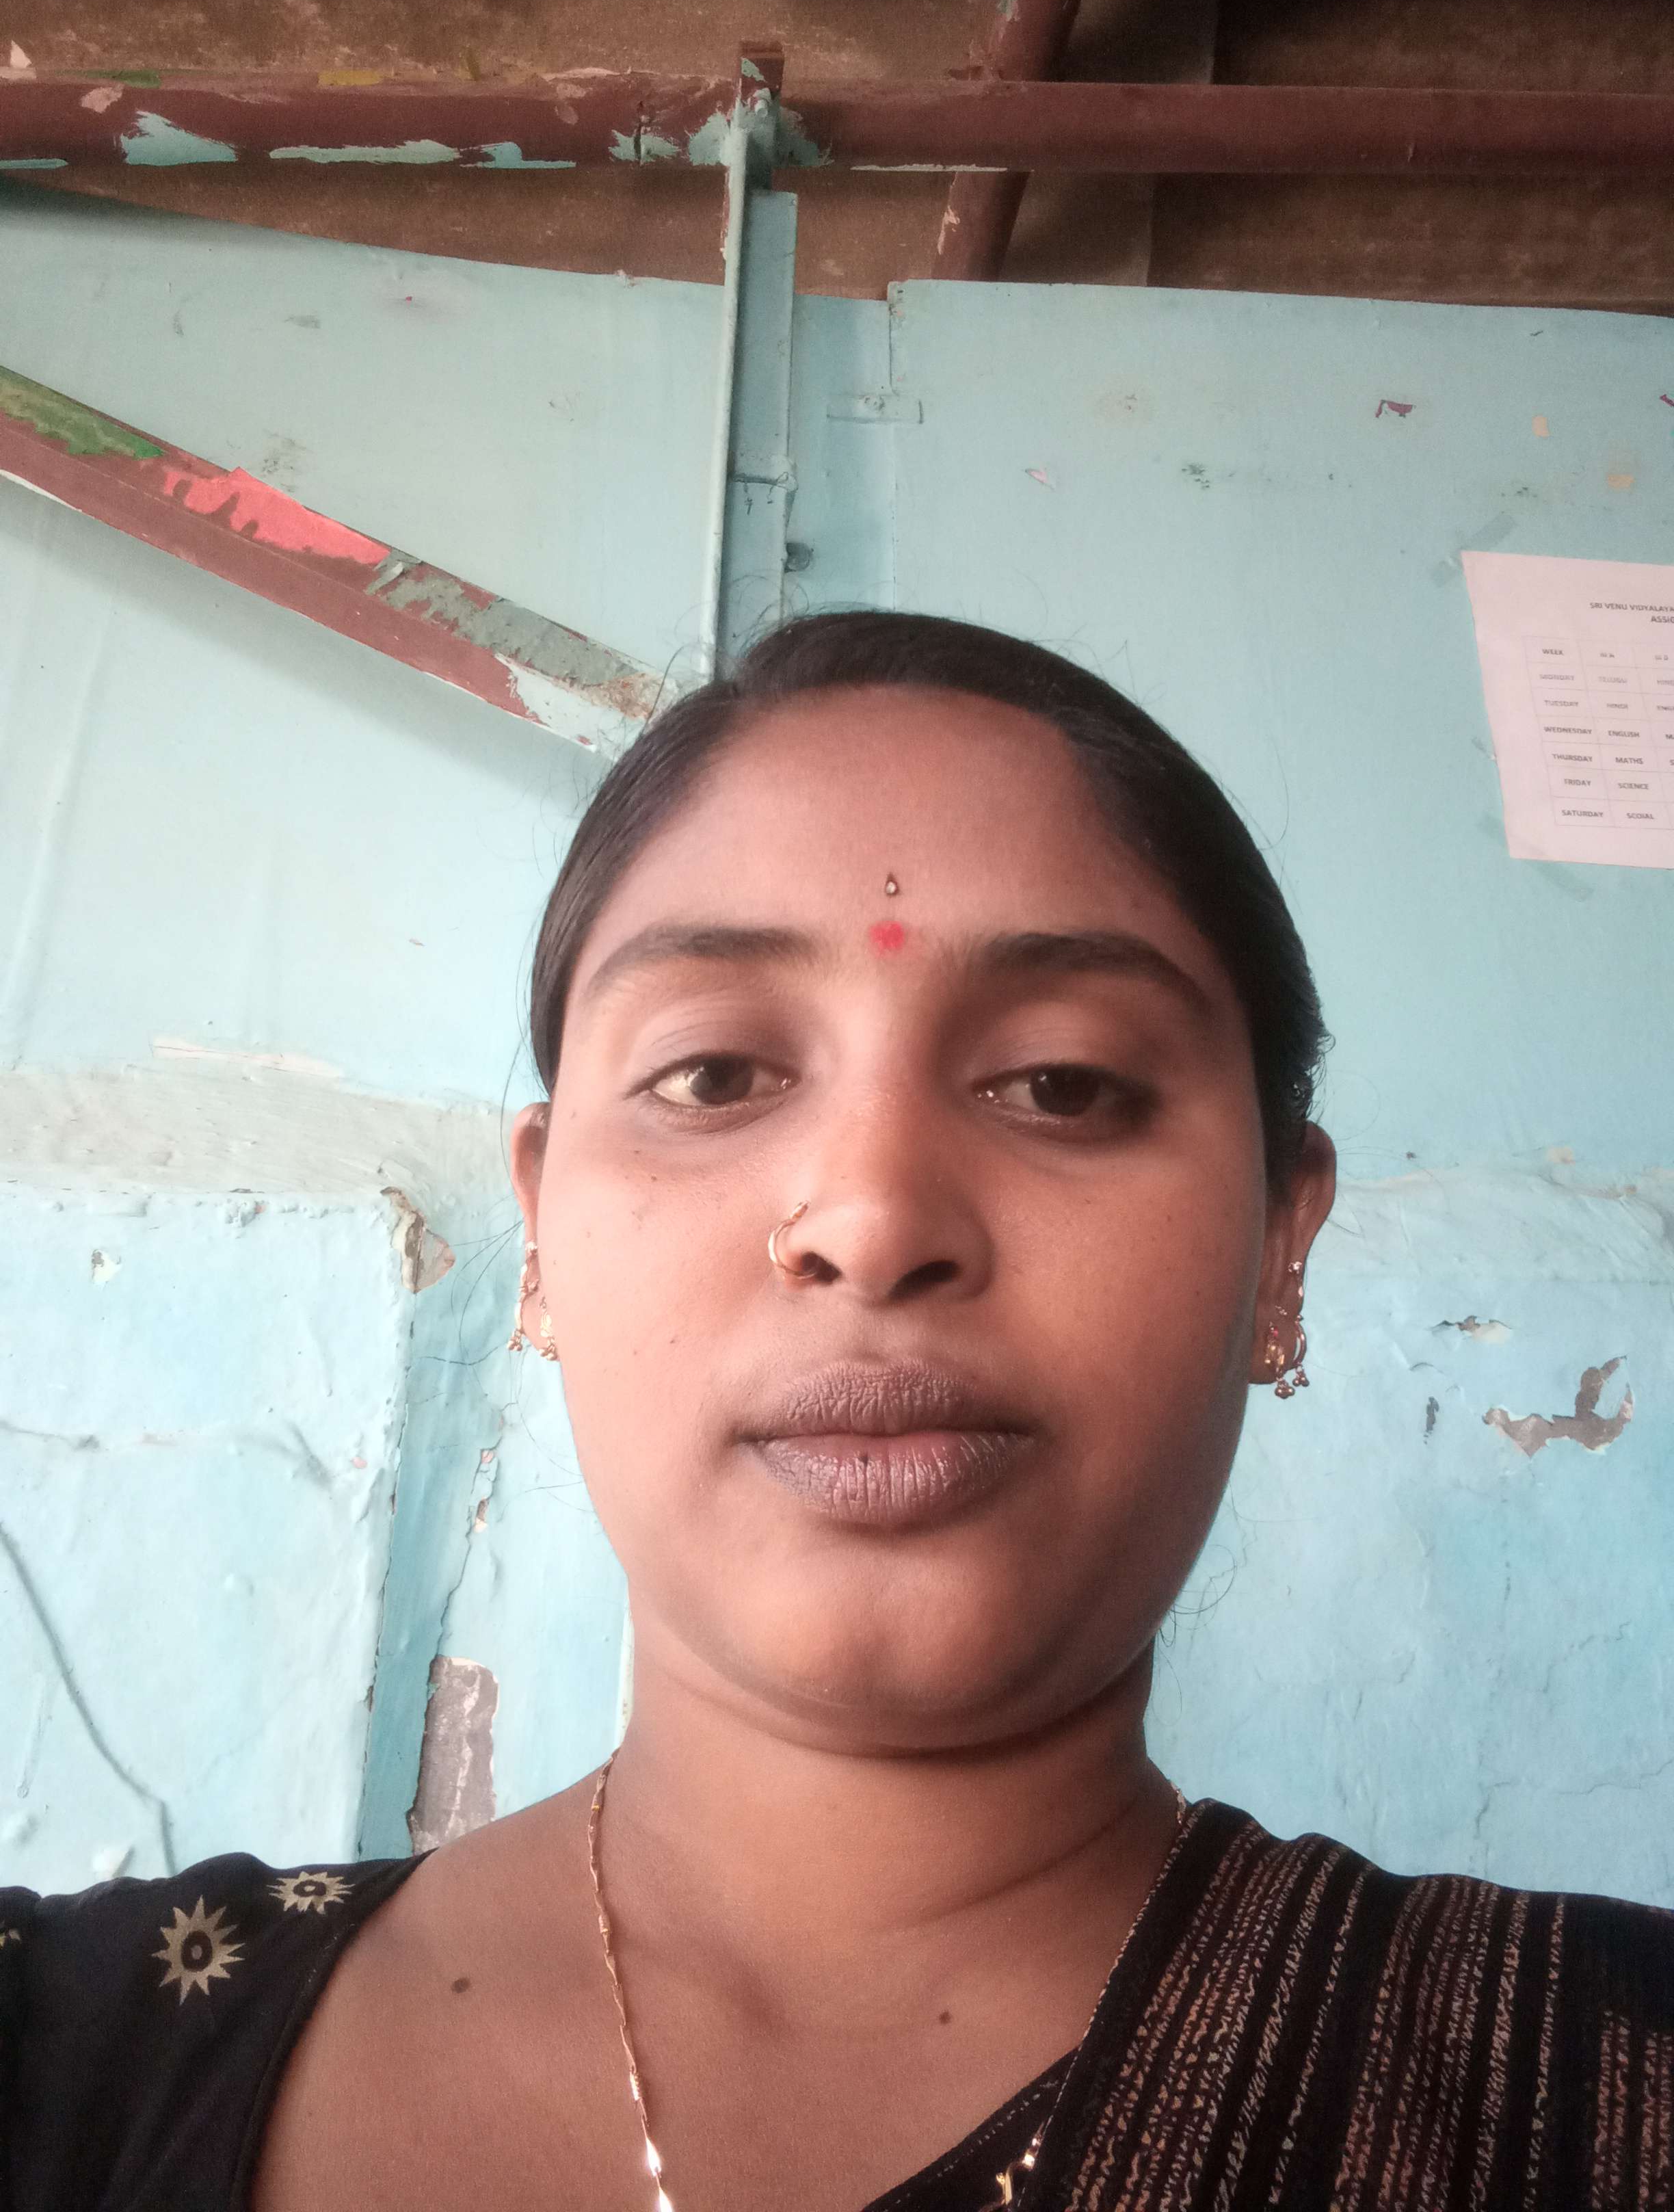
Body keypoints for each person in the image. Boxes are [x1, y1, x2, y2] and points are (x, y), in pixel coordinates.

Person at [3, 611, 1669, 2212]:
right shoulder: (62, 2057)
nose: (869, 1219)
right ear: (542, 1234)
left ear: (1280, 1243)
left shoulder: (1603, 2089)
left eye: (1065, 1083)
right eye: (713, 1075)